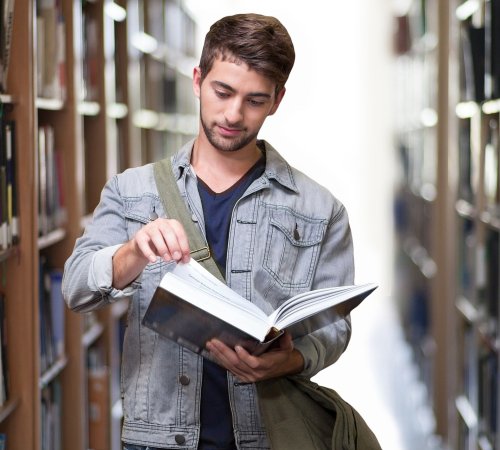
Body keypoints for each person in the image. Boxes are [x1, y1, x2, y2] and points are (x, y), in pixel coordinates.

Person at [62, 13, 354, 450]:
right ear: (198, 80)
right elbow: (75, 288)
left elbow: (335, 328)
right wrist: (133, 252)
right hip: (156, 439)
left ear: (278, 100)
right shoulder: (132, 191)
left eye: (255, 100)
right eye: (223, 92)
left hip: (267, 437)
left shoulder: (320, 209)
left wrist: (290, 360)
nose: (234, 114)